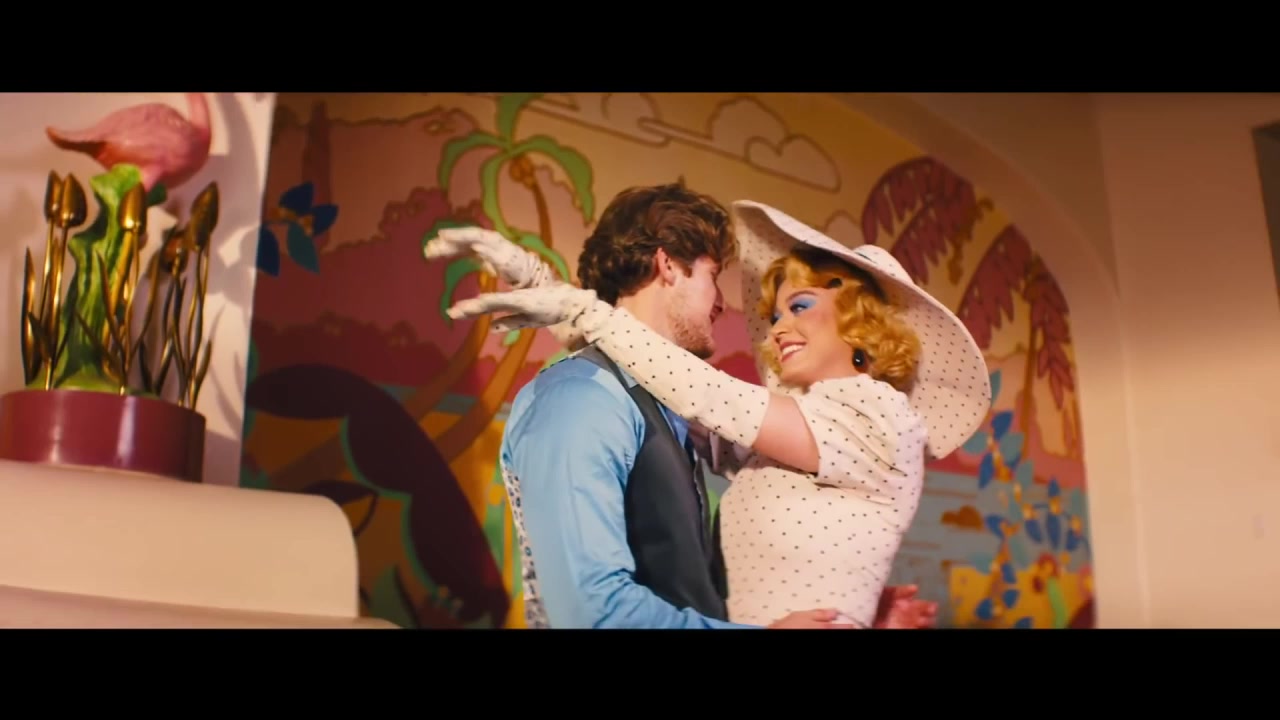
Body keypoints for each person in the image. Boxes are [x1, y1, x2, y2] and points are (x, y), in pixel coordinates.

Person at [440, 197, 990, 629]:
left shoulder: (878, 417)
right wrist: (554, 298)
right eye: (776, 314)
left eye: (799, 306)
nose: (776, 328)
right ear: (667, 265)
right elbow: (660, 390)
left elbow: (708, 396)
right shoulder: (781, 431)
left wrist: (578, 306)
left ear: (861, 321)